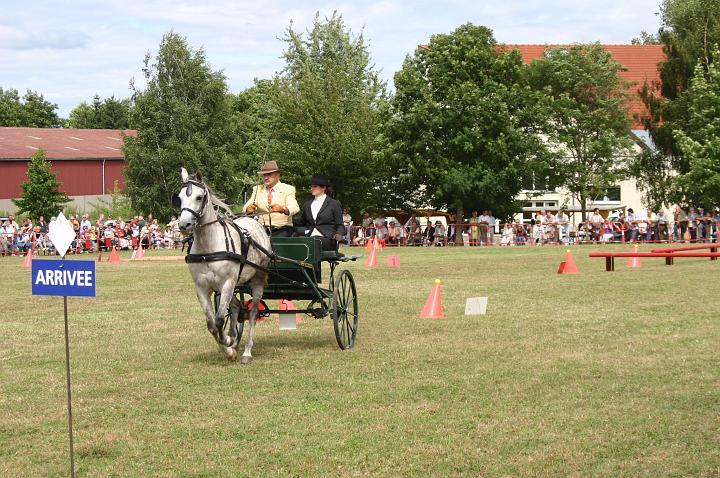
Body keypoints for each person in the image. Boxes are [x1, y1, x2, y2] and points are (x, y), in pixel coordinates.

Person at [244, 160, 300, 237]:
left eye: (269, 174)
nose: (266, 178)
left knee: (276, 240)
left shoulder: (287, 189)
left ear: (278, 175)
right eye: (264, 175)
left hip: (282, 228)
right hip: (261, 229)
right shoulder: (257, 189)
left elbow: (294, 207)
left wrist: (283, 209)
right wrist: (248, 209)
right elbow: (247, 206)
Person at [295, 173, 345, 251]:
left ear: (323, 188)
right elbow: (301, 221)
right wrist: (287, 218)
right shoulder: (307, 205)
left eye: (315, 186)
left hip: (327, 239)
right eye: (311, 186)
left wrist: (339, 234)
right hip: (309, 236)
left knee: (314, 242)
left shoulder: (334, 204)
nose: (312, 188)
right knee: (295, 242)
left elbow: (340, 225)